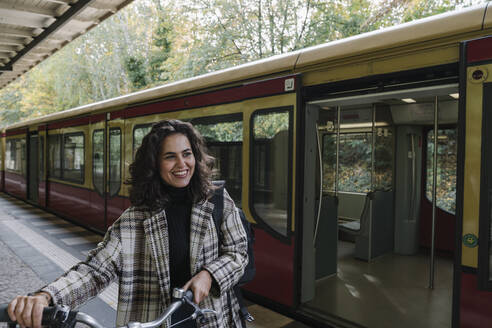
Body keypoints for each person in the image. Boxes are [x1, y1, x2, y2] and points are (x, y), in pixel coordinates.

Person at [7, 119, 249, 328]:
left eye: (187, 154)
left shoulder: (216, 199)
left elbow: (238, 252)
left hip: (214, 319)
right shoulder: (135, 220)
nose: (182, 164)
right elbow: (94, 271)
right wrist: (46, 297)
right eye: (170, 157)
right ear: (154, 164)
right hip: (156, 321)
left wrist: (209, 275)